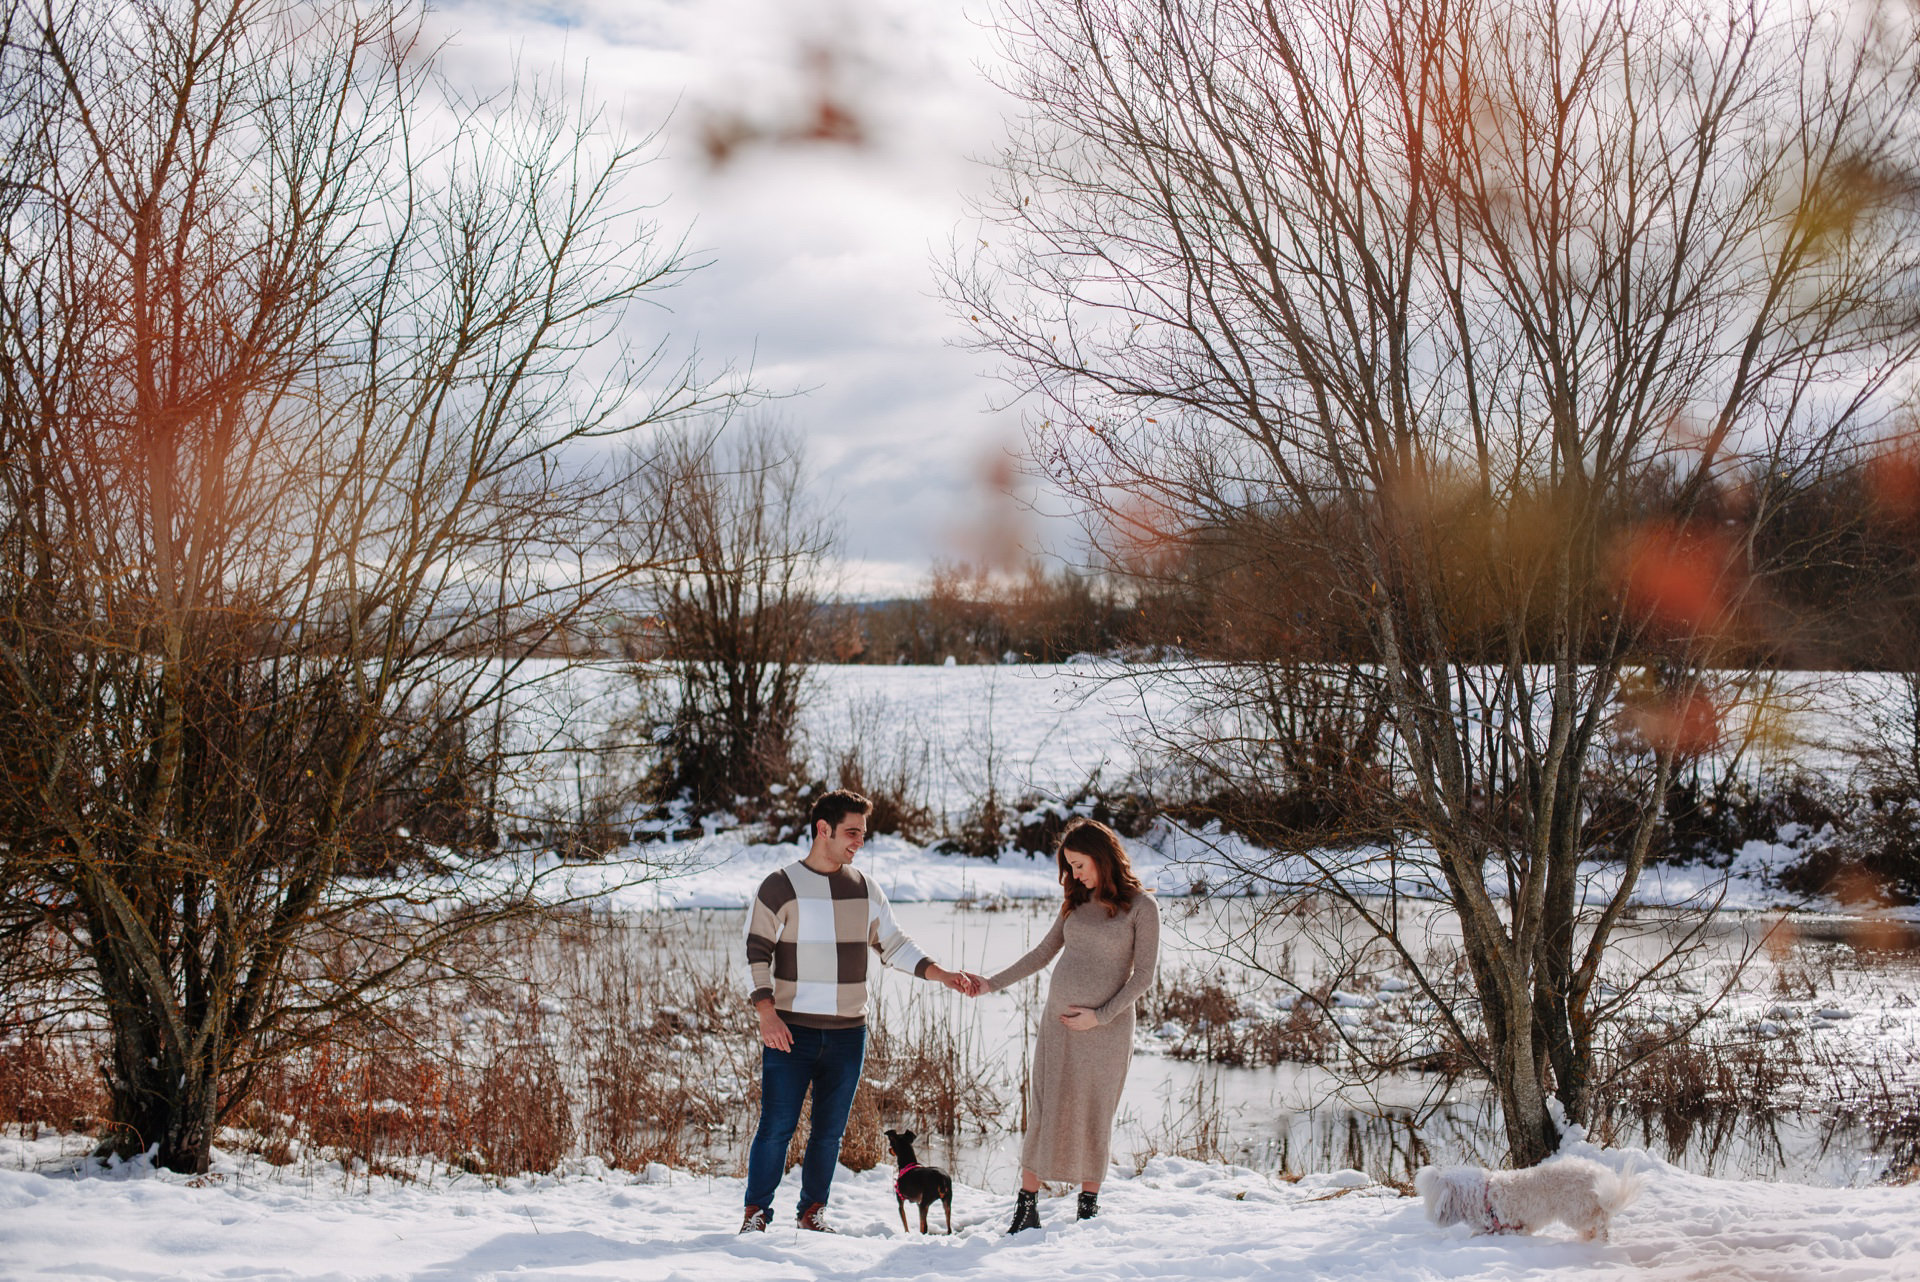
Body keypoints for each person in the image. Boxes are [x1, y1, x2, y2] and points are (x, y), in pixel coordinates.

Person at [739, 788, 983, 1234]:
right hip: (789, 1030)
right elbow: (757, 950)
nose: (859, 842)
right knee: (776, 1128)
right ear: (824, 830)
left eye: (863, 834)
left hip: (849, 1034)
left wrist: (941, 974)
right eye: (852, 832)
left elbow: (894, 945)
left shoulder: (866, 889)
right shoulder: (780, 886)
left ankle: (813, 1212)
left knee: (829, 1134)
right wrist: (765, 1011)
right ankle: (756, 1214)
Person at [982, 817, 1159, 1232]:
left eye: (1080, 865)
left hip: (1106, 1032)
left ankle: (1088, 1207)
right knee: (1045, 1109)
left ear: (1101, 857)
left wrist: (1098, 1017)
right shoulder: (1076, 902)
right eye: (1070, 866)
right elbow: (1042, 953)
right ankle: (1026, 1207)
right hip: (1058, 1027)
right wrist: (990, 983)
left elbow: (1144, 977)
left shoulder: (1142, 908)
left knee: (1095, 1112)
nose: (1074, 875)